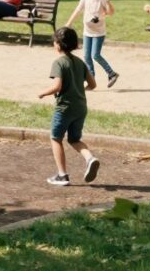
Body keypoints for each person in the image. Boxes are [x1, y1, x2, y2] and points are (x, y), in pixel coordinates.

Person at [38, 27, 100, 187]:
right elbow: (93, 84)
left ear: (58, 44)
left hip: (64, 108)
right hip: (81, 107)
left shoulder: (59, 62)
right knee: (74, 139)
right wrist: (79, 90)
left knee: (55, 138)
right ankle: (90, 158)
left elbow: (57, 86)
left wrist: (43, 93)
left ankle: (62, 175)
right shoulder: (80, 62)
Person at [65, 0, 120, 88]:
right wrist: (68, 23)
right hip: (87, 32)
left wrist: (108, 3)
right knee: (86, 56)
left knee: (95, 55)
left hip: (98, 33)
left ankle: (112, 74)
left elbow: (110, 13)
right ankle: (92, 80)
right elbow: (77, 10)